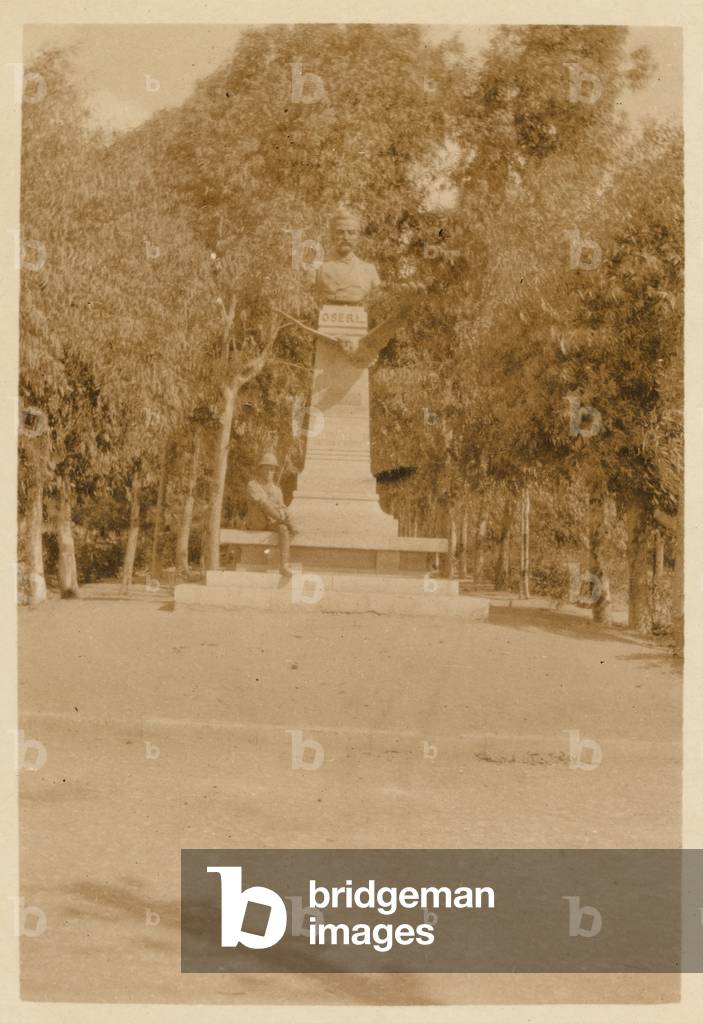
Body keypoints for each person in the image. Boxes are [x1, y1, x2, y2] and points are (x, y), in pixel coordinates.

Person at [315, 208, 381, 306]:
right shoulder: (319, 269)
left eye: (351, 232)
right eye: (340, 232)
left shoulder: (369, 270)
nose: (346, 237)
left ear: (358, 237)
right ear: (332, 236)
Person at [246, 453, 297, 576]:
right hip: (257, 522)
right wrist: (283, 519)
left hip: (271, 522)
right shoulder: (253, 485)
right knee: (268, 507)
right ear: (260, 469)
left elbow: (283, 507)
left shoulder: (277, 490)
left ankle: (284, 565)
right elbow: (263, 504)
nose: (270, 472)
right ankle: (286, 523)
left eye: (272, 469)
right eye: (267, 468)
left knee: (283, 528)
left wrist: (288, 519)